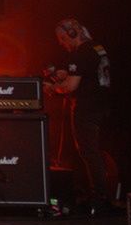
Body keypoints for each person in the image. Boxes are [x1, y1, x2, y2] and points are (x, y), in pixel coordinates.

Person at [46, 18, 114, 214]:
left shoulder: (79, 54)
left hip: (87, 108)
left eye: (62, 38)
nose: (62, 44)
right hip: (101, 106)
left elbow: (70, 86)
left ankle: (99, 198)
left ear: (72, 34)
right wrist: (64, 75)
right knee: (94, 152)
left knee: (89, 152)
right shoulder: (97, 48)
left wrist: (52, 87)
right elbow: (87, 73)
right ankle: (101, 195)